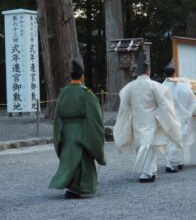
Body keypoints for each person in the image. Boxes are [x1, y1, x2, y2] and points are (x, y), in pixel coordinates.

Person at [113, 53, 182, 183]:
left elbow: (124, 107)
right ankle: (145, 174)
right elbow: (164, 105)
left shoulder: (129, 87)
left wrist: (124, 122)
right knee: (150, 146)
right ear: (148, 71)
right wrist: (168, 120)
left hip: (136, 120)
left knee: (143, 146)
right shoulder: (154, 86)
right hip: (151, 120)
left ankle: (151, 171)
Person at [49, 58, 106, 198]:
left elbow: (57, 117)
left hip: (67, 132)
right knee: (83, 161)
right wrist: (97, 137)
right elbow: (95, 119)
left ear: (71, 76)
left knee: (69, 159)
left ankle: (71, 187)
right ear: (82, 76)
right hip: (82, 131)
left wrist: (58, 135)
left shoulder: (63, 92)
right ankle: (81, 188)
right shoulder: (87, 93)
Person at [162, 67, 196, 172]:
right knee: (179, 138)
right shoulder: (180, 85)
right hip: (178, 115)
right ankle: (171, 163)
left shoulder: (161, 86)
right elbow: (189, 96)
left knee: (169, 139)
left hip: (166, 115)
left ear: (165, 74)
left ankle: (178, 161)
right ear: (175, 73)